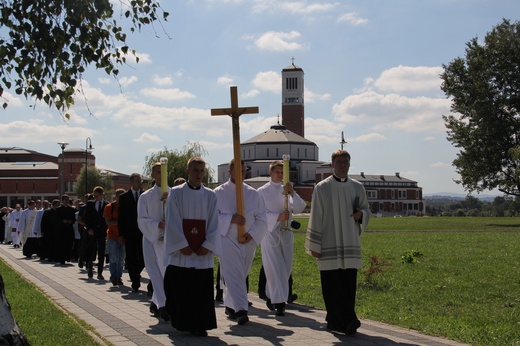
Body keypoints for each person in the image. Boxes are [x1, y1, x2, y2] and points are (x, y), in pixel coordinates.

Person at [305, 150, 371, 336]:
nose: (343, 165)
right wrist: (314, 245)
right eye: (339, 162)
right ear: (332, 165)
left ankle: (342, 321)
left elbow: (366, 210)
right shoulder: (322, 188)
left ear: (350, 164)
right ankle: (344, 321)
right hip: (328, 243)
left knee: (349, 284)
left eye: (346, 161)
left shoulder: (358, 187)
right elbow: (316, 216)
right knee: (332, 285)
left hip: (350, 241)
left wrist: (361, 215)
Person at [164, 157, 220, 336]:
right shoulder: (176, 193)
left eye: (202, 171)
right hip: (183, 254)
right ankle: (183, 322)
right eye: (195, 170)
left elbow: (214, 223)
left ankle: (201, 324)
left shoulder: (211, 195)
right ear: (187, 171)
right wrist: (182, 244)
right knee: (182, 289)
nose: (199, 174)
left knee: (201, 290)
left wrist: (208, 244)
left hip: (203, 254)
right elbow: (172, 220)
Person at [215, 159, 267, 325]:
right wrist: (230, 219)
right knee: (232, 272)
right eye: (238, 170)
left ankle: (230, 305)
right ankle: (241, 310)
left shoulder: (253, 193)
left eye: (244, 171)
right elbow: (212, 218)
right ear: (229, 171)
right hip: (227, 238)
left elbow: (262, 218)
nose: (242, 174)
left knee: (241, 273)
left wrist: (252, 235)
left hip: (248, 239)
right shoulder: (218, 193)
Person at [257, 160, 306, 316]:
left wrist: (292, 193)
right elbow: (258, 214)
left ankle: (271, 296)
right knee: (274, 266)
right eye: (276, 172)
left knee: (286, 267)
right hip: (270, 232)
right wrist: (276, 217)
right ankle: (280, 304)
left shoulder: (287, 189)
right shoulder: (262, 191)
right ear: (270, 173)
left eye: (282, 172)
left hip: (286, 232)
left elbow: (299, 207)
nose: (279, 175)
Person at [137, 163, 170, 321]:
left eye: (163, 172)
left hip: (168, 240)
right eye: (158, 172)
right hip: (150, 238)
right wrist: (157, 226)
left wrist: (169, 202)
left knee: (166, 272)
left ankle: (159, 303)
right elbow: (141, 219)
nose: (161, 175)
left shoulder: (173, 194)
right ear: (152, 175)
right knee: (154, 272)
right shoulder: (146, 196)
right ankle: (162, 305)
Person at [118, 173, 145, 291]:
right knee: (131, 257)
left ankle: (137, 272)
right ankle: (135, 282)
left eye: (140, 181)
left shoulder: (145, 195)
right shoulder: (124, 197)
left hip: (143, 232)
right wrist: (121, 234)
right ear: (132, 182)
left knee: (143, 258)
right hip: (129, 232)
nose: (139, 183)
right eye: (137, 181)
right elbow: (121, 217)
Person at [83, 186, 108, 279]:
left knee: (101, 252)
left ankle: (100, 272)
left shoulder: (106, 204)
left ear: (101, 195)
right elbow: (87, 217)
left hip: (102, 231)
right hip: (92, 231)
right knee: (91, 250)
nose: (95, 198)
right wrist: (89, 228)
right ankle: (90, 269)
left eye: (97, 196)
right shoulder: (90, 204)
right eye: (94, 196)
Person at [104, 189, 126, 287]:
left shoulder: (126, 207)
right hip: (112, 235)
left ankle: (119, 276)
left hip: (123, 236)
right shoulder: (110, 207)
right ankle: (114, 276)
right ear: (115, 196)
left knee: (121, 258)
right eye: (119, 196)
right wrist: (121, 221)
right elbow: (109, 222)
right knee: (113, 257)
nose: (120, 198)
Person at [54, 195, 76, 265]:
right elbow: (56, 220)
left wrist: (71, 221)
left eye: (68, 200)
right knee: (61, 245)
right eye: (65, 200)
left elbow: (74, 219)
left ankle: (68, 257)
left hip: (69, 229)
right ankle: (62, 259)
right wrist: (62, 221)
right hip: (61, 230)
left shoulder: (72, 209)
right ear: (62, 200)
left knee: (69, 244)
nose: (67, 201)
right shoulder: (58, 209)